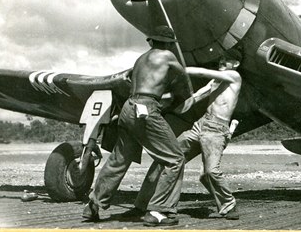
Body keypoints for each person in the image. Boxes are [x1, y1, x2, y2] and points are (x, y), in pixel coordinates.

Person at [82, 25, 189, 227]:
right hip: (147, 108)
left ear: (151, 40)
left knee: (119, 159)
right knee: (175, 159)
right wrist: (178, 94)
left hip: (128, 107)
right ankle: (159, 211)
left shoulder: (140, 59)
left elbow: (136, 82)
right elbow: (184, 75)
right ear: (168, 43)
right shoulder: (167, 56)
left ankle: (93, 204)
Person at [122, 56, 242, 220]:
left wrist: (181, 69)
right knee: (167, 159)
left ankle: (229, 204)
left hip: (217, 130)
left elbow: (201, 72)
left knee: (210, 172)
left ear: (236, 63)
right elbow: (199, 94)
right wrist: (181, 102)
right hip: (200, 125)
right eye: (221, 58)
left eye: (228, 58)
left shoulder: (234, 77)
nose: (222, 60)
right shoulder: (216, 80)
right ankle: (144, 205)